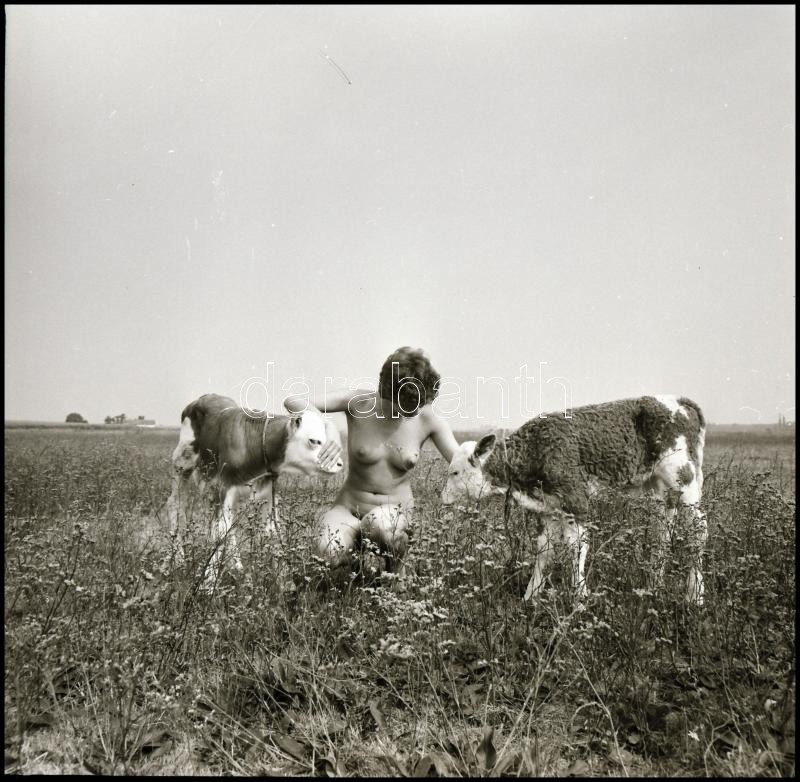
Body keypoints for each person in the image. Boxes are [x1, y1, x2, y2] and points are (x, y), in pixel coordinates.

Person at [283, 346, 460, 583]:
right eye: (405, 404)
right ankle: (355, 569)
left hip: (391, 517)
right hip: (348, 508)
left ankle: (398, 573)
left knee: (380, 524)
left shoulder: (428, 419)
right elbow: (293, 401)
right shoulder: (358, 402)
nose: (411, 411)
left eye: (417, 404)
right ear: (386, 391)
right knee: (326, 553)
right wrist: (327, 426)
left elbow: (461, 461)